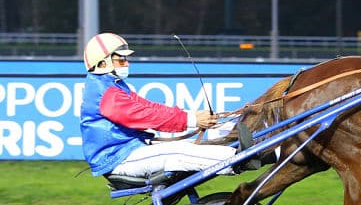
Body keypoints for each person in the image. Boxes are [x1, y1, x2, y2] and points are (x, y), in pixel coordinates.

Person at [80, 32, 257, 178]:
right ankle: (239, 159)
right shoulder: (106, 93)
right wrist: (191, 120)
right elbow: (144, 115)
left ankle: (242, 156)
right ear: (103, 63)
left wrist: (191, 116)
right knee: (179, 153)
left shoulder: (112, 86)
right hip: (117, 158)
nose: (127, 64)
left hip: (128, 150)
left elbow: (150, 107)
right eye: (121, 60)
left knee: (186, 147)